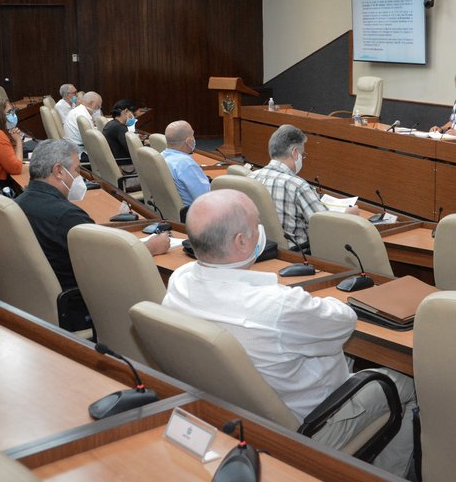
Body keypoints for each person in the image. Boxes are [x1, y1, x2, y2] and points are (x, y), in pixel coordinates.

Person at [162, 189, 417, 478]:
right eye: (256, 224)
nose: (262, 231)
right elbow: (344, 321)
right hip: (313, 424)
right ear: (242, 241)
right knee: (407, 382)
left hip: (233, 414)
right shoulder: (278, 306)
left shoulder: (181, 280)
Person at [16, 139, 170, 291]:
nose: (79, 177)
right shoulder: (68, 216)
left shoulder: (18, 203)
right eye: (77, 170)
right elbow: (107, 264)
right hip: (80, 300)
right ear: (59, 171)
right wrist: (150, 247)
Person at [250, 124, 357, 249]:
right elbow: (325, 227)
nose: (303, 158)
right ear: (295, 153)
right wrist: (348, 215)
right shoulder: (297, 185)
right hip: (298, 254)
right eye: (303, 154)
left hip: (262, 248)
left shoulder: (250, 178)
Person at [160, 120, 210, 207]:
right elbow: (206, 199)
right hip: (193, 213)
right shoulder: (185, 164)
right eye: (192, 135)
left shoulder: (161, 156)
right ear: (188, 141)